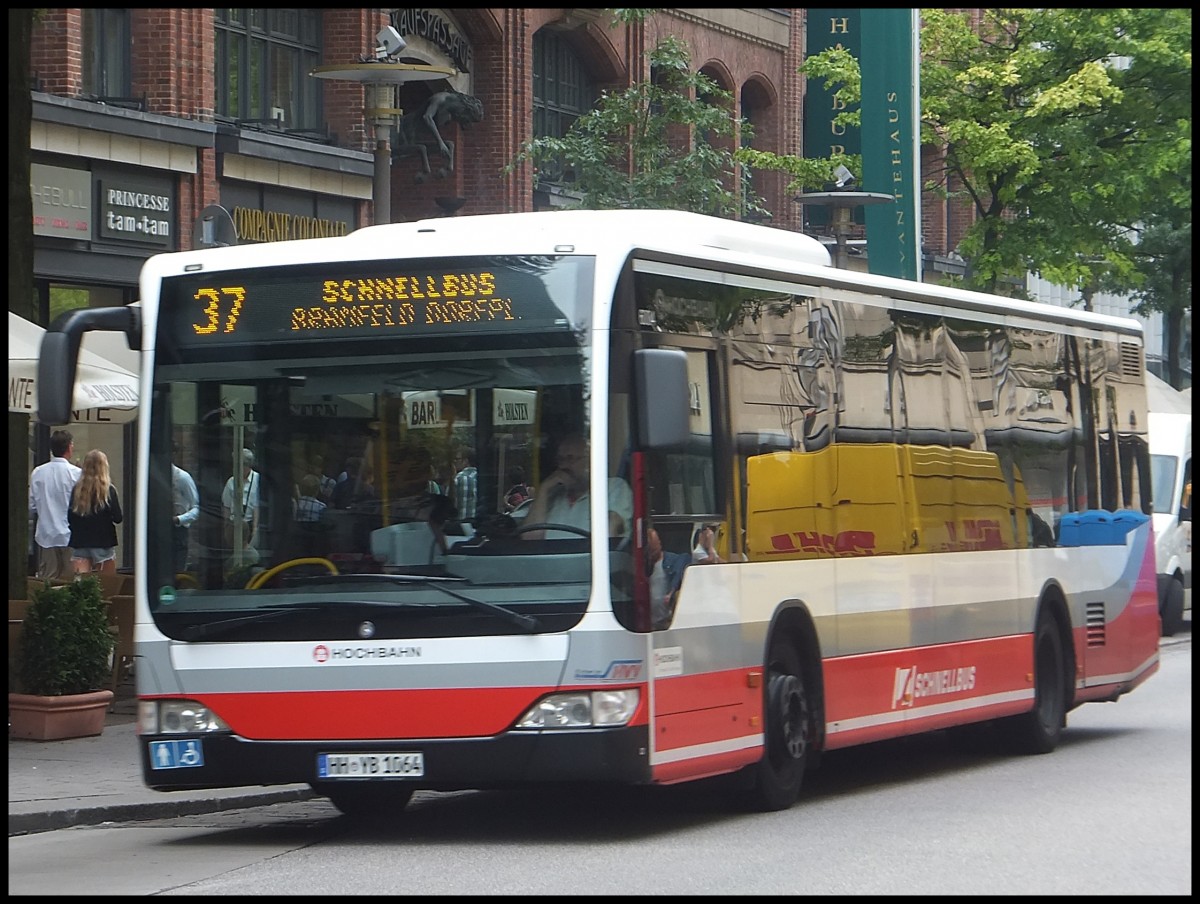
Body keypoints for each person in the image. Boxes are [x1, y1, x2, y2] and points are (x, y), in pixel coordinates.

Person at [524, 433, 632, 540]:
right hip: (549, 557)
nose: (563, 466)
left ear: (589, 461)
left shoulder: (614, 487)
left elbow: (609, 534)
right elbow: (530, 539)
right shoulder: (552, 495)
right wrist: (543, 490)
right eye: (560, 459)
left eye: (570, 458)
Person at [29, 429, 83, 581]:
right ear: (70, 447)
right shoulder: (77, 474)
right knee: (70, 580)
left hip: (46, 534)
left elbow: (31, 505)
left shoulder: (38, 472)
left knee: (47, 579)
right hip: (70, 535)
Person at [67, 449, 124, 575]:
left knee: (81, 584)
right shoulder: (109, 490)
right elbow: (118, 518)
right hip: (103, 542)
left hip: (80, 541)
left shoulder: (77, 490)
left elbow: (70, 517)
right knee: (107, 585)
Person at [646, 527, 691, 629]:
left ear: (659, 544)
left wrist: (672, 591)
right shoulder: (642, 566)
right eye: (649, 551)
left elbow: (685, 559)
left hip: (666, 622)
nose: (651, 555)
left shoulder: (671, 561)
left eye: (654, 549)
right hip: (648, 623)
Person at [222, 448, 260, 549]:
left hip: (250, 525)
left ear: (247, 466)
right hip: (234, 525)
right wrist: (226, 526)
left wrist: (255, 528)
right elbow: (226, 506)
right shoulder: (231, 482)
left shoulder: (258, 480)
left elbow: (257, 506)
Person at [172, 443, 200, 574]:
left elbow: (196, 507)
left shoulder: (182, 477)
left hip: (178, 530)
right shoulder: (153, 477)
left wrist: (179, 519)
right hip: (159, 531)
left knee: (178, 571)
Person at [453, 447, 478, 521]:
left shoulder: (459, 478)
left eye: (457, 459)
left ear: (466, 461)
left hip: (459, 527)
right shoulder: (481, 478)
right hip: (477, 526)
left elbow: (450, 507)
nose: (455, 461)